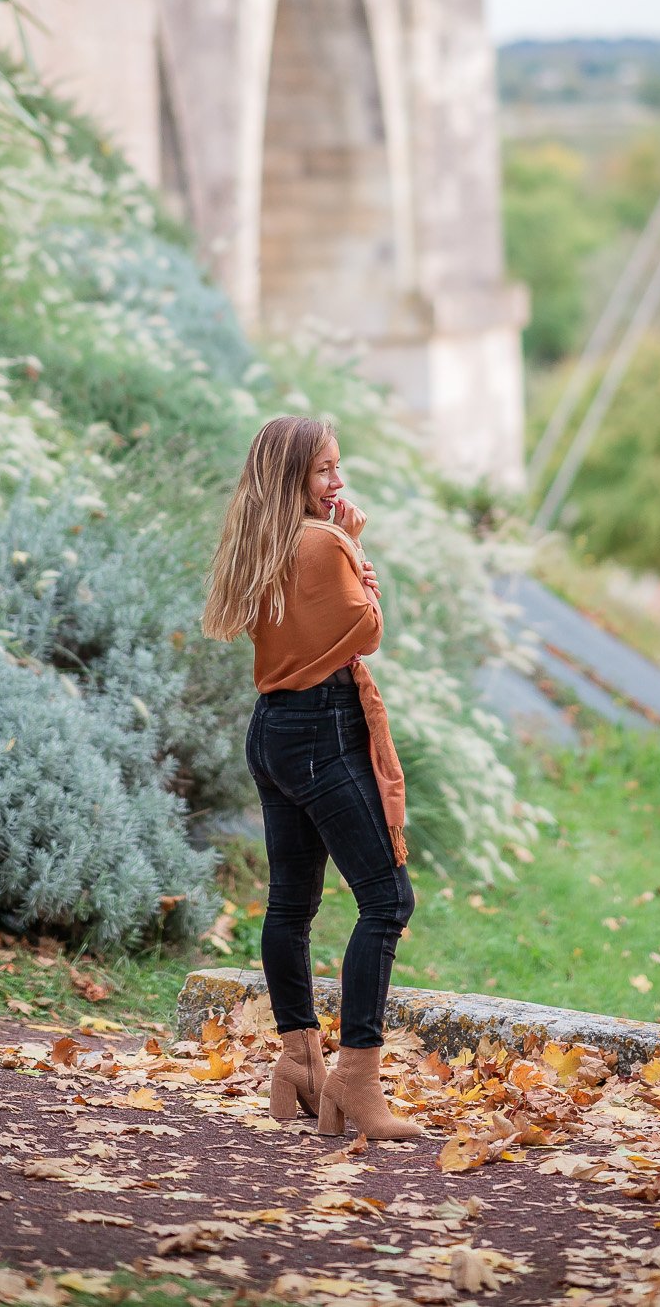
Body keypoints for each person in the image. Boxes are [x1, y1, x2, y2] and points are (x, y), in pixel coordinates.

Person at [203, 413, 422, 1141]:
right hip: (324, 728)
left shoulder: (261, 543)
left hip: (270, 728)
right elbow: (367, 630)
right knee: (387, 899)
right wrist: (355, 545)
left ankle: (299, 1062)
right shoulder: (325, 541)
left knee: (291, 905)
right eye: (325, 469)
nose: (338, 480)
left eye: (337, 466)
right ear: (294, 476)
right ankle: (357, 1082)